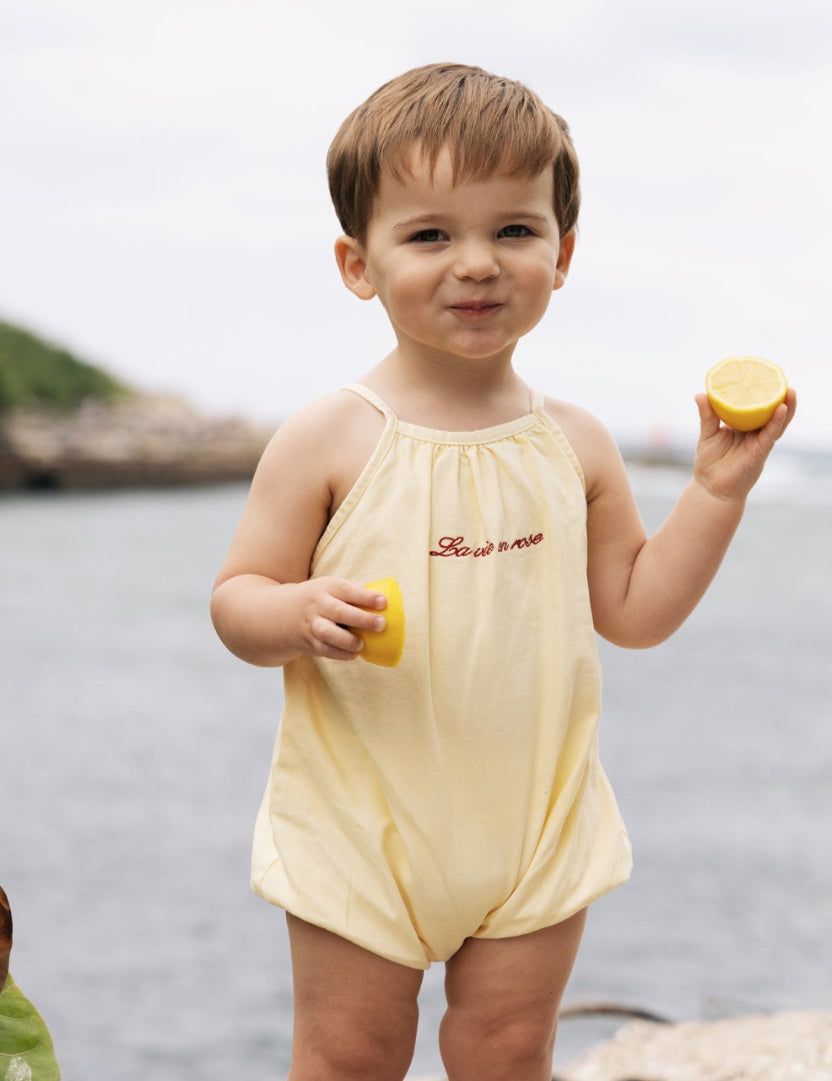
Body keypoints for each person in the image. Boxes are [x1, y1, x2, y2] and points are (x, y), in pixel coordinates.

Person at [210, 62, 795, 1081]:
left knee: (509, 1051)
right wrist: (295, 611)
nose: (476, 264)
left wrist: (715, 492)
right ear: (358, 263)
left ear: (562, 254)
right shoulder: (330, 436)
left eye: (514, 229)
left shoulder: (575, 442)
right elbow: (236, 600)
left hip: (535, 824)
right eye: (430, 235)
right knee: (350, 1055)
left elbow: (636, 611)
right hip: (363, 822)